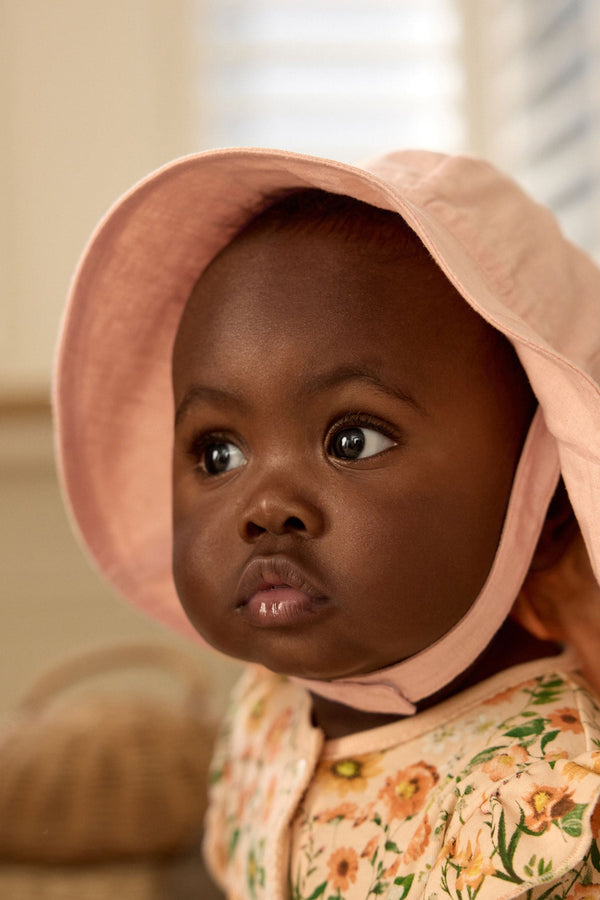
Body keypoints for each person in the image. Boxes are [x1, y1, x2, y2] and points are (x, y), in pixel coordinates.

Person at [54, 147, 600, 899]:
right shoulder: (266, 710)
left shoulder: (559, 797)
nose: (266, 507)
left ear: (546, 501)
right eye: (218, 453)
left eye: (353, 440)